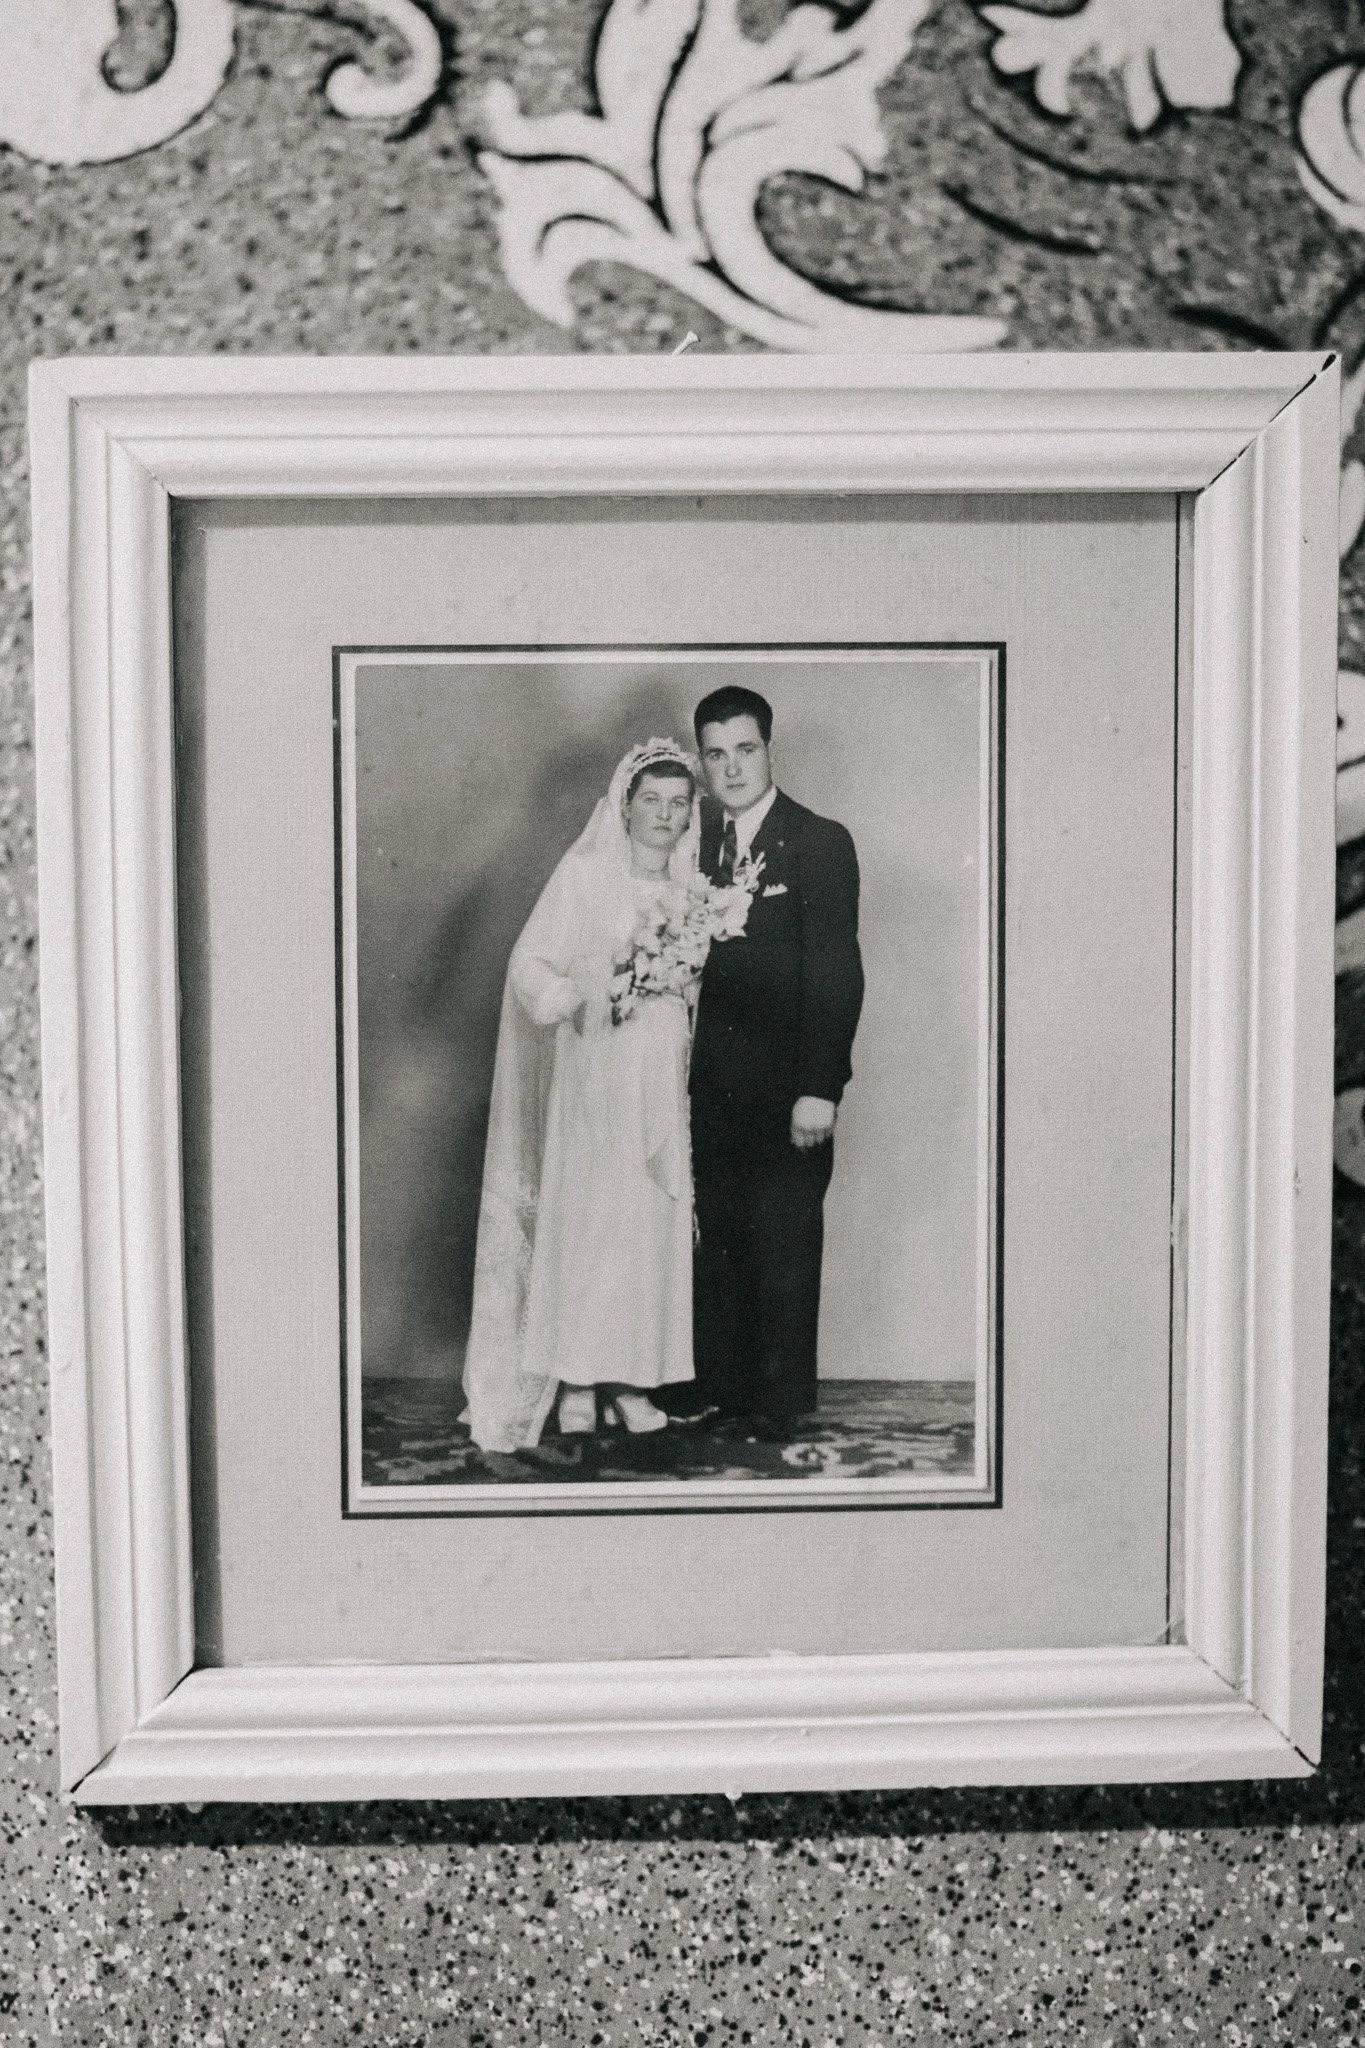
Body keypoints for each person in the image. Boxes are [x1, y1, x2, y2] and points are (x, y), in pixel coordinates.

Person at [462, 739, 701, 1451]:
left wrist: (683, 984)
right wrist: (580, 996)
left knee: (646, 1227)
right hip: (596, 1072)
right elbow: (528, 962)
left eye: (678, 803)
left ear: (691, 814)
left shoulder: (694, 888)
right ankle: (575, 1379)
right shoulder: (585, 874)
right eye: (651, 801)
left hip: (661, 1081)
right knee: (592, 1224)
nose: (664, 815)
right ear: (624, 807)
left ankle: (631, 1379)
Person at [678, 685, 865, 1436]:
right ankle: (724, 1391)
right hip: (708, 1092)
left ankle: (780, 1409)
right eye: (715, 754)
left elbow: (836, 972)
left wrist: (820, 1088)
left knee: (784, 1239)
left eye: (744, 750)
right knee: (719, 1240)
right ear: (700, 761)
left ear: (768, 750)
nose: (731, 769)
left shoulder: (818, 840)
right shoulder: (693, 850)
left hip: (788, 1090)